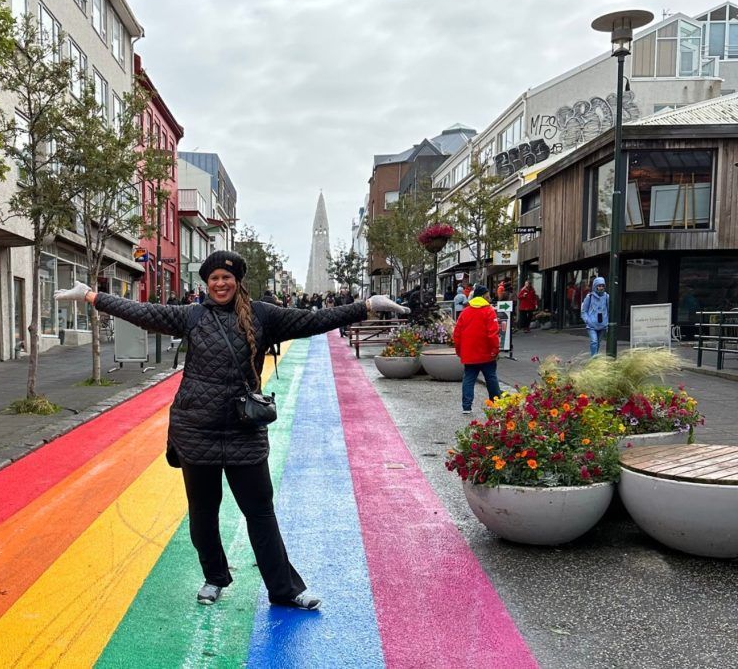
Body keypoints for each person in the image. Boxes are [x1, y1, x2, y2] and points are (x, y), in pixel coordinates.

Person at [53, 250, 408, 611]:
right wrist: (92, 295)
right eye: (213, 278)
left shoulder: (263, 316)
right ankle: (215, 577)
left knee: (260, 511)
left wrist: (366, 306)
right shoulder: (192, 316)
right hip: (196, 429)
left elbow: (312, 321)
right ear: (205, 283)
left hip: (244, 429)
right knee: (203, 513)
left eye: (226, 277)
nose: (220, 284)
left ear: (237, 280)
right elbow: (143, 312)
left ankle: (284, 589)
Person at [453, 285, 502, 414]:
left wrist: (459, 351)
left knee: (469, 378)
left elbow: (457, 334)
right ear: (484, 296)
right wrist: (495, 350)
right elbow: (493, 333)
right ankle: (496, 403)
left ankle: (466, 406)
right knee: (491, 378)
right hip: (486, 353)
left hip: (469, 354)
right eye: (488, 295)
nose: (490, 297)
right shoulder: (489, 311)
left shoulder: (465, 312)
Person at [581, 276, 609, 357]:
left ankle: (595, 357)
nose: (601, 288)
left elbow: (609, 310)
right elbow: (584, 311)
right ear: (595, 286)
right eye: (599, 286)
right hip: (592, 325)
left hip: (602, 325)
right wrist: (587, 321)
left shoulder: (607, 297)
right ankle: (593, 359)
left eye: (602, 286)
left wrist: (607, 322)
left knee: (598, 343)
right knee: (594, 341)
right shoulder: (589, 297)